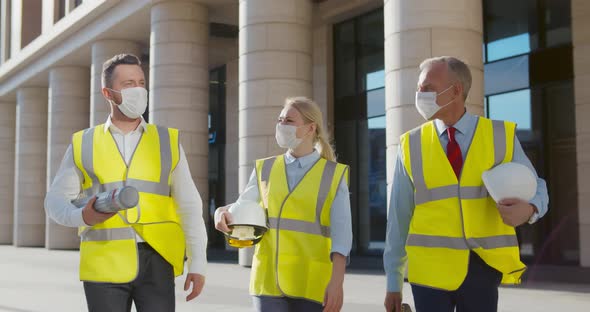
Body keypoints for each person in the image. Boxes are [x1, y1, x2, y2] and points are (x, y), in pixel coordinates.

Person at [383, 56, 549, 312]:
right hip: (429, 272)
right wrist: (393, 281)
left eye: (427, 88)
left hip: (481, 268)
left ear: (456, 90)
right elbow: (399, 218)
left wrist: (529, 210)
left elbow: (538, 187)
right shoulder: (410, 144)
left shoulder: (498, 136)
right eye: (418, 89)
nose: (419, 95)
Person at [44, 53, 207, 312]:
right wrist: (83, 217)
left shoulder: (167, 140)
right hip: (103, 262)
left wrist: (198, 264)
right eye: (129, 84)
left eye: (141, 82)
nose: (139, 90)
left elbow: (189, 205)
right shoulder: (83, 142)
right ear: (108, 93)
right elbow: (54, 202)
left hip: (158, 259)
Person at [214, 97, 352, 312]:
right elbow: (243, 206)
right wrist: (221, 212)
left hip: (312, 280)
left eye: (289, 120)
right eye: (280, 119)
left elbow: (342, 236)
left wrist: (337, 282)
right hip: (268, 281)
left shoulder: (333, 175)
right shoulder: (265, 168)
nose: (281, 125)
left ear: (310, 128)